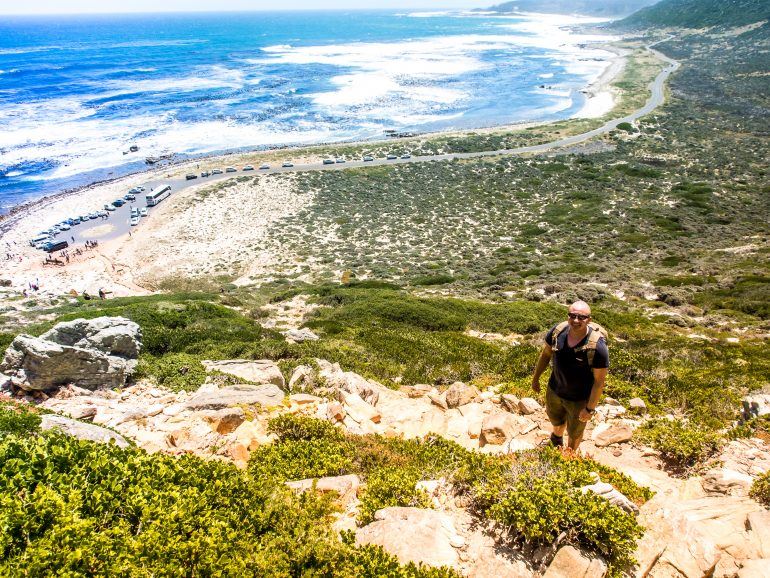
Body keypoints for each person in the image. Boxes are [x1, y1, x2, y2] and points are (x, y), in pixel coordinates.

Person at [531, 301, 608, 451]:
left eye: (581, 317)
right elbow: (546, 354)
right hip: (555, 389)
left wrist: (590, 409)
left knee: (575, 432)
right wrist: (536, 378)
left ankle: (570, 456)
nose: (576, 320)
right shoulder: (558, 331)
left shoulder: (597, 346)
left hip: (579, 399)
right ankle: (556, 438)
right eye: (572, 316)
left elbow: (599, 381)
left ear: (589, 320)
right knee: (556, 421)